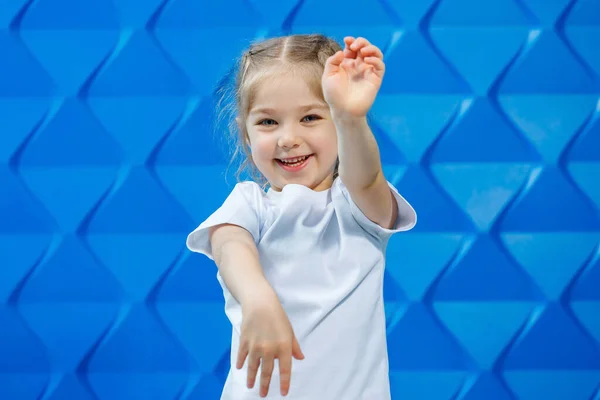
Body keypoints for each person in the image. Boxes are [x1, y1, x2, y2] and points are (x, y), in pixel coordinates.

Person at [186, 33, 417, 399]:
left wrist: (351, 118)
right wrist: (258, 298)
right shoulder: (249, 205)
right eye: (267, 123)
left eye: (310, 117)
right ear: (245, 135)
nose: (288, 138)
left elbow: (368, 177)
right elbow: (230, 245)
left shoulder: (356, 208)